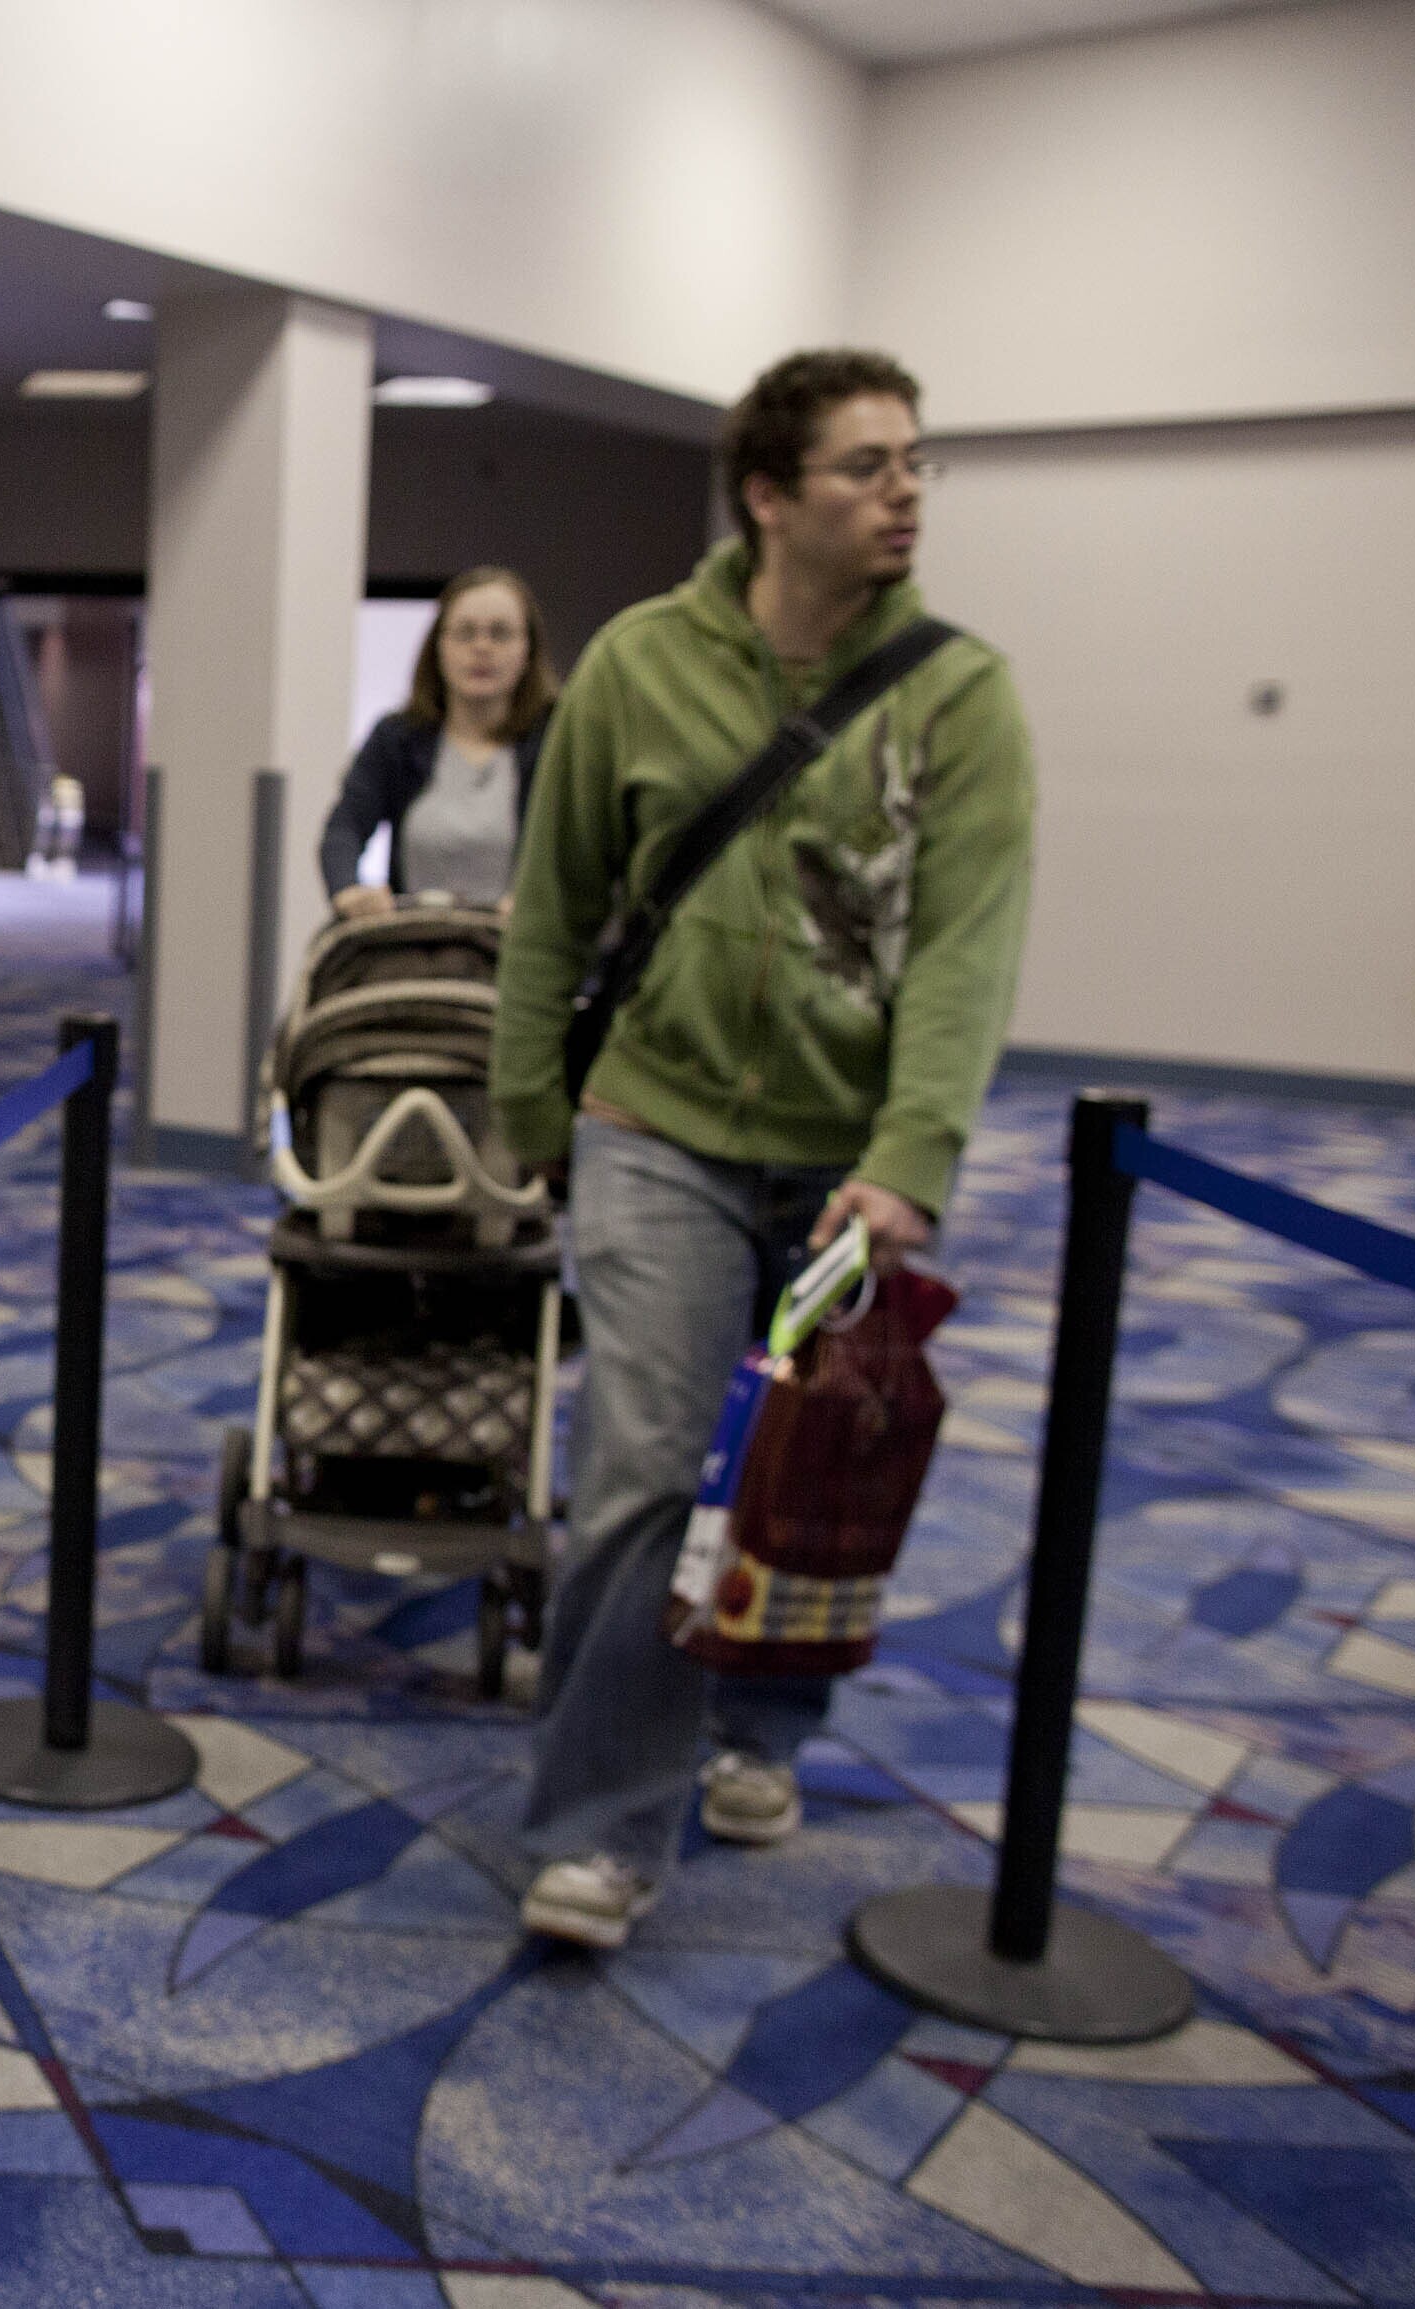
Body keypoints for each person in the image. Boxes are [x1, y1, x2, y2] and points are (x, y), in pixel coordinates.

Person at [488, 349, 1035, 1950]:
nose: (906, 492)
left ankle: (763, 1733)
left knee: (810, 1475)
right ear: (770, 496)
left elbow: (965, 952)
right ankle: (602, 1826)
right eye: (869, 466)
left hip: (846, 1161)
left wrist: (911, 1154)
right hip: (654, 1132)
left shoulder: (962, 695)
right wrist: (539, 1115)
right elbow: (556, 912)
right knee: (651, 1473)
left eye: (916, 463)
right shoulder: (643, 666)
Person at [318, 565, 559, 915]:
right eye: (465, 633)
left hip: (518, 952)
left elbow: (585, 851)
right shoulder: (397, 739)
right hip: (415, 947)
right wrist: (348, 892)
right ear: (438, 648)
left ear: (528, 651)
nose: (482, 647)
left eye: (500, 634)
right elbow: (344, 828)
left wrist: (542, 908)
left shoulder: (555, 741)